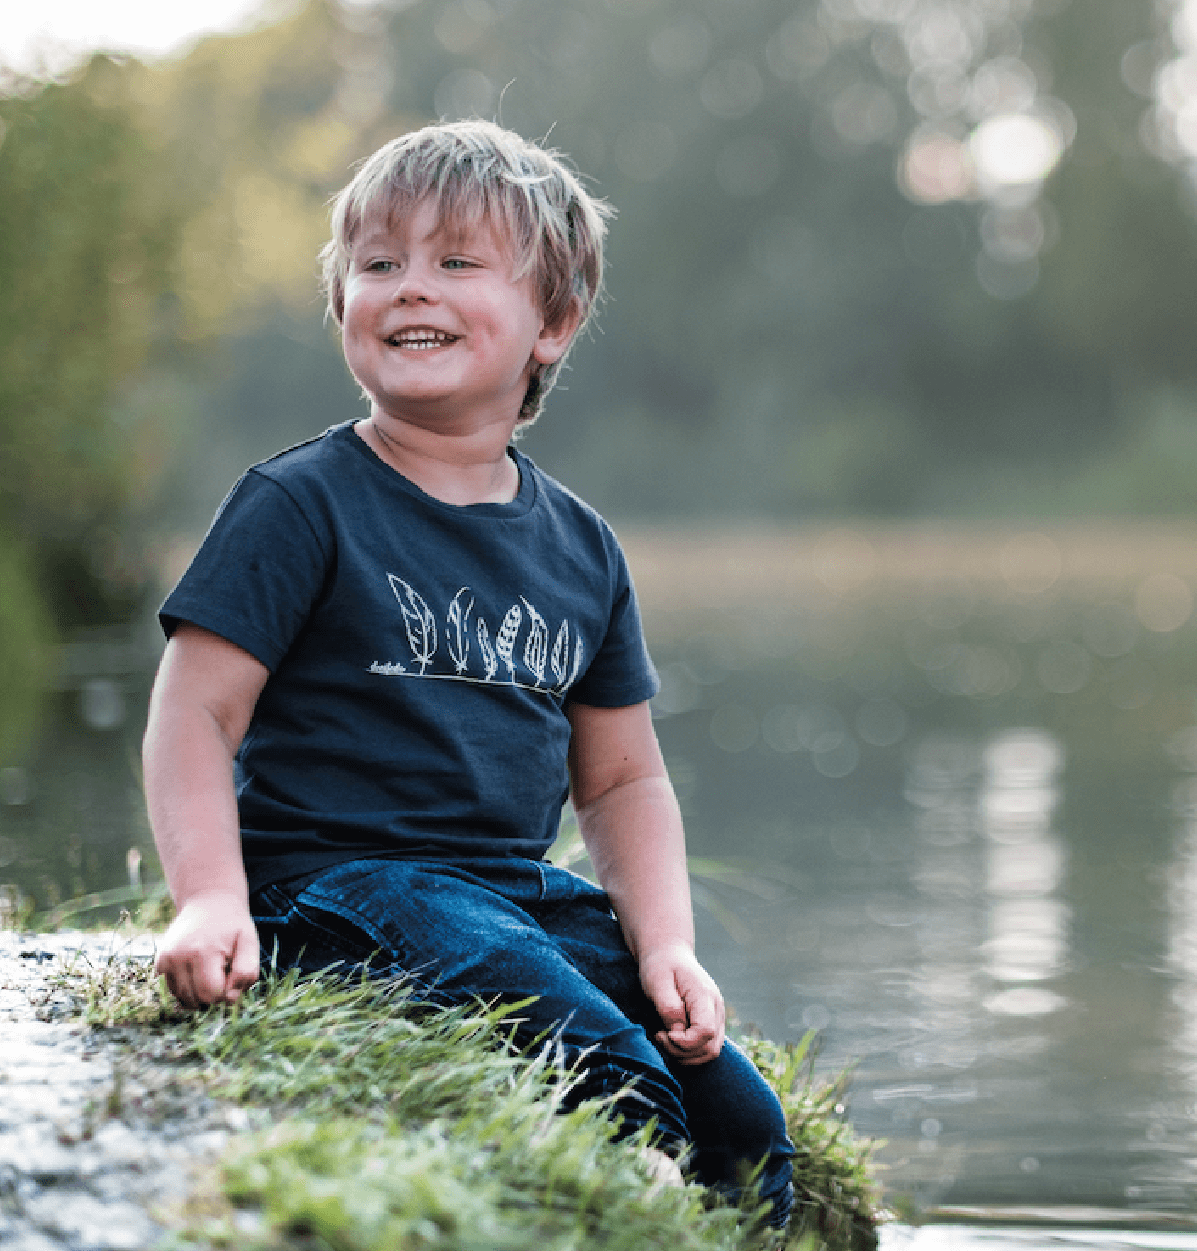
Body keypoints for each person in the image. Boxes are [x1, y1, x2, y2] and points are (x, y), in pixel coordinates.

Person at [143, 120, 794, 1226]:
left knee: (744, 1117)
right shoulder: (299, 503)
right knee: (594, 1052)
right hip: (336, 887)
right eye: (379, 262)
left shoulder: (582, 548)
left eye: (454, 262)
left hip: (506, 893)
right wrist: (210, 900)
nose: (407, 288)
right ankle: (617, 1192)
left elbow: (624, 779)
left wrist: (666, 941)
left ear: (554, 322)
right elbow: (194, 716)